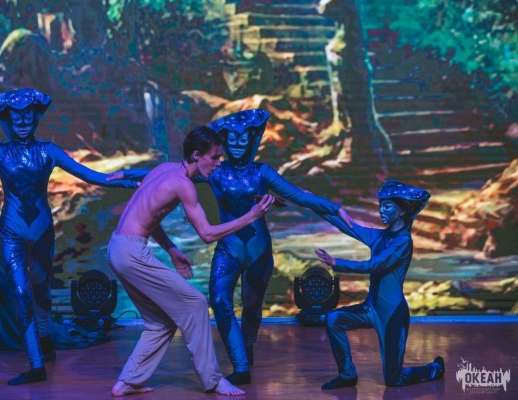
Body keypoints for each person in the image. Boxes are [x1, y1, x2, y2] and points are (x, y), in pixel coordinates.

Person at [111, 109, 354, 384]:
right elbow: (167, 174)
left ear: (252, 140)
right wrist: (125, 173)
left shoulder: (262, 172)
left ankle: (246, 349)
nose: (237, 144)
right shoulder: (216, 170)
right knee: (219, 301)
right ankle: (240, 367)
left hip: (258, 251)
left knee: (252, 305)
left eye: (243, 139)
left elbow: (298, 196)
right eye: (232, 139)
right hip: (228, 248)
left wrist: (335, 208)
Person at [0, 88, 140, 385]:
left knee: (42, 291)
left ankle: (45, 341)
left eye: (27, 116)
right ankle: (37, 364)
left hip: (42, 233)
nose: (22, 122)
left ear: (35, 118)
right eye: (17, 117)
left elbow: (94, 177)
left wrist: (137, 181)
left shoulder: (49, 150)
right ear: (8, 120)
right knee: (22, 295)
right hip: (12, 233)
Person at [106, 126, 275, 397]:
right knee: (195, 303)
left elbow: (150, 217)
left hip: (118, 248)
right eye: (215, 157)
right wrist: (251, 216)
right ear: (197, 155)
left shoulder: (164, 169)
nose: (218, 163)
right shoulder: (183, 184)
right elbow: (207, 234)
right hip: (131, 253)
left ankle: (128, 382)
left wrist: (171, 249)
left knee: (160, 323)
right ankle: (213, 380)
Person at [314, 180, 445, 389]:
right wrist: (311, 202)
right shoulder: (380, 236)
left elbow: (375, 265)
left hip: (392, 315)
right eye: (380, 205)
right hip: (370, 309)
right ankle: (347, 375)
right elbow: (347, 226)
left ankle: (434, 369)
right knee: (333, 320)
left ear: (402, 210)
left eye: (387, 206)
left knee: (394, 379)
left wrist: (336, 262)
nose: (381, 210)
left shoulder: (403, 242)